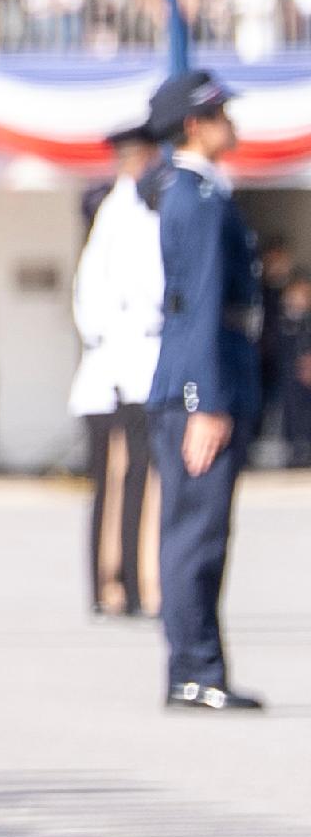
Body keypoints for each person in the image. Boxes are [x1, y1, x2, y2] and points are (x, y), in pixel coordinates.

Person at [146, 69, 264, 712]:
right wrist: (204, 401)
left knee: (204, 532)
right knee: (196, 534)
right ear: (195, 124)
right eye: (220, 113)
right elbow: (196, 307)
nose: (231, 122)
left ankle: (198, 664)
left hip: (215, 375)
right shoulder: (192, 197)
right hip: (203, 384)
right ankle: (193, 669)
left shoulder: (203, 192)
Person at [71, 122, 167, 617]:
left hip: (132, 367)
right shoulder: (120, 212)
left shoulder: (137, 208)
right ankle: (113, 583)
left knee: (135, 481)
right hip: (117, 370)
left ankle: (128, 581)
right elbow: (99, 299)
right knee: (117, 481)